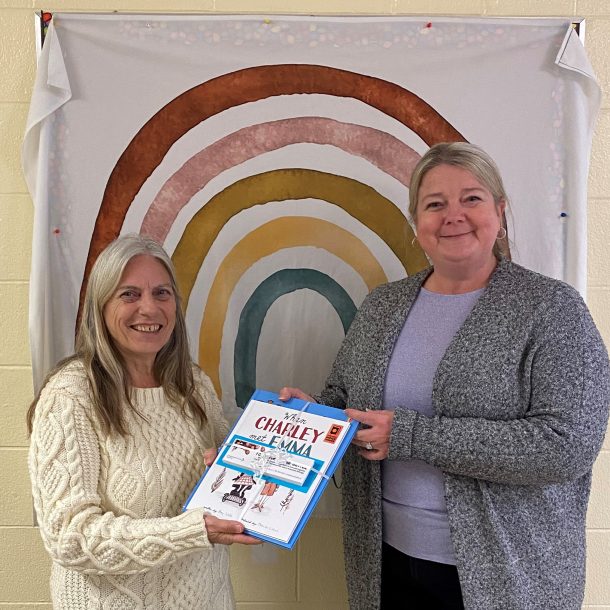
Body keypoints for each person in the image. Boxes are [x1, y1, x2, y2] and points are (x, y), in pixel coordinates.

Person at [280, 142, 610, 610]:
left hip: (507, 577)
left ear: (499, 211)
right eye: (435, 204)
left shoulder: (551, 310)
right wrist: (309, 417)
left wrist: (414, 437)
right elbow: (345, 400)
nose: (453, 215)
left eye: (471, 199)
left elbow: (567, 447)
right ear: (417, 224)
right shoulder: (382, 307)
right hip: (386, 564)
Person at [27, 234, 260, 609]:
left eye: (162, 293)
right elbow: (70, 537)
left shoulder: (193, 386)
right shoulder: (71, 396)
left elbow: (243, 475)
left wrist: (295, 421)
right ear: (100, 308)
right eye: (129, 294)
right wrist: (188, 531)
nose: (149, 309)